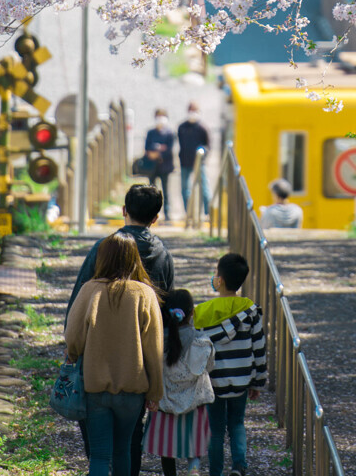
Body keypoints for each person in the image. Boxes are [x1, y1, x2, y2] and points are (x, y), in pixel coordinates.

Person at [65, 185, 175, 476]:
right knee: (126, 448)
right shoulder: (156, 269)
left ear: (124, 210)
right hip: (134, 376)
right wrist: (156, 387)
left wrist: (72, 355)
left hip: (96, 375)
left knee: (99, 454)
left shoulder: (94, 278)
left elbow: (73, 329)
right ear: (156, 217)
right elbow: (155, 340)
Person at [193, 252, 266, 476]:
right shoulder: (250, 310)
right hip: (242, 378)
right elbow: (259, 347)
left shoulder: (202, 311)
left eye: (216, 273)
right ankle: (238, 465)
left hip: (214, 381)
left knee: (215, 430)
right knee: (237, 424)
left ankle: (215, 471)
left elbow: (196, 349)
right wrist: (258, 381)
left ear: (220, 280)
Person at [144, 288, 215, 476]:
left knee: (167, 447)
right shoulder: (201, 341)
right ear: (191, 312)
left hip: (165, 404)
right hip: (195, 402)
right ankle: (194, 468)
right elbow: (209, 367)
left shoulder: (157, 342)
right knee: (195, 440)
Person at [177, 102, 211, 218]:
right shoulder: (182, 127)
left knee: (205, 189)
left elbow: (208, 146)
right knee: (185, 189)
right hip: (185, 162)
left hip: (199, 162)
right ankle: (188, 212)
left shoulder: (202, 128)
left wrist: (202, 155)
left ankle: (208, 213)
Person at [145, 109, 176, 221]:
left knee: (166, 191)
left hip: (165, 167)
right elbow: (148, 148)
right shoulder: (151, 132)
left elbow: (168, 150)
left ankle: (167, 213)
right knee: (151, 192)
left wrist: (156, 151)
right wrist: (159, 149)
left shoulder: (170, 133)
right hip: (152, 167)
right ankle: (151, 213)